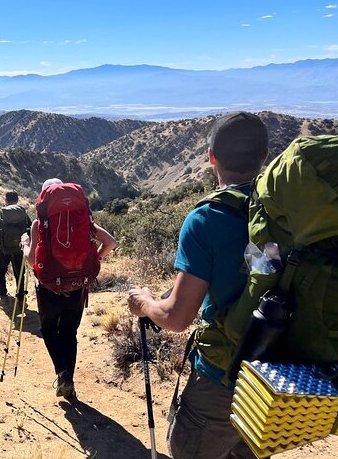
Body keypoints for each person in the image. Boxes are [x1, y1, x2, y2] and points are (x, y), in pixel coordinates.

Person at [126, 112, 269, 459]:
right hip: (277, 377)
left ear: (212, 158)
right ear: (265, 157)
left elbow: (176, 318)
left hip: (223, 376)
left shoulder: (206, 219)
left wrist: (143, 302)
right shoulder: (285, 214)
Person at [22, 178, 117, 401]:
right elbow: (111, 242)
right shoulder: (83, 220)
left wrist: (25, 243)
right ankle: (69, 382)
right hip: (78, 286)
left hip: (49, 288)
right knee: (69, 333)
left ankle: (62, 373)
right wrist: (96, 258)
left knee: (48, 330)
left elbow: (31, 260)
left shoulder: (39, 224)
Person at [0, 191, 31, 300]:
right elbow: (30, 229)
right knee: (19, 273)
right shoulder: (23, 213)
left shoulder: (0, 213)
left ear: (6, 200)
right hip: (19, 248)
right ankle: (21, 297)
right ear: (17, 200)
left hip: (3, 249)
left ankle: (3, 296)